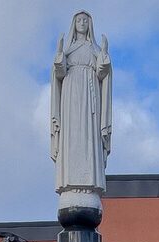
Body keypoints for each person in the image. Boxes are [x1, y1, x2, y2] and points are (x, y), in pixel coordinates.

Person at [50, 11, 112, 195]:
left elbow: (102, 74)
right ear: (74, 24)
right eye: (79, 20)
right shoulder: (69, 51)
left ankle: (89, 181)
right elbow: (59, 73)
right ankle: (70, 180)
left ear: (90, 24)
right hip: (70, 98)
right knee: (72, 137)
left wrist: (104, 55)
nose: (82, 23)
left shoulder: (94, 50)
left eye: (85, 20)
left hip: (90, 99)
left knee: (88, 138)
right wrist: (60, 54)